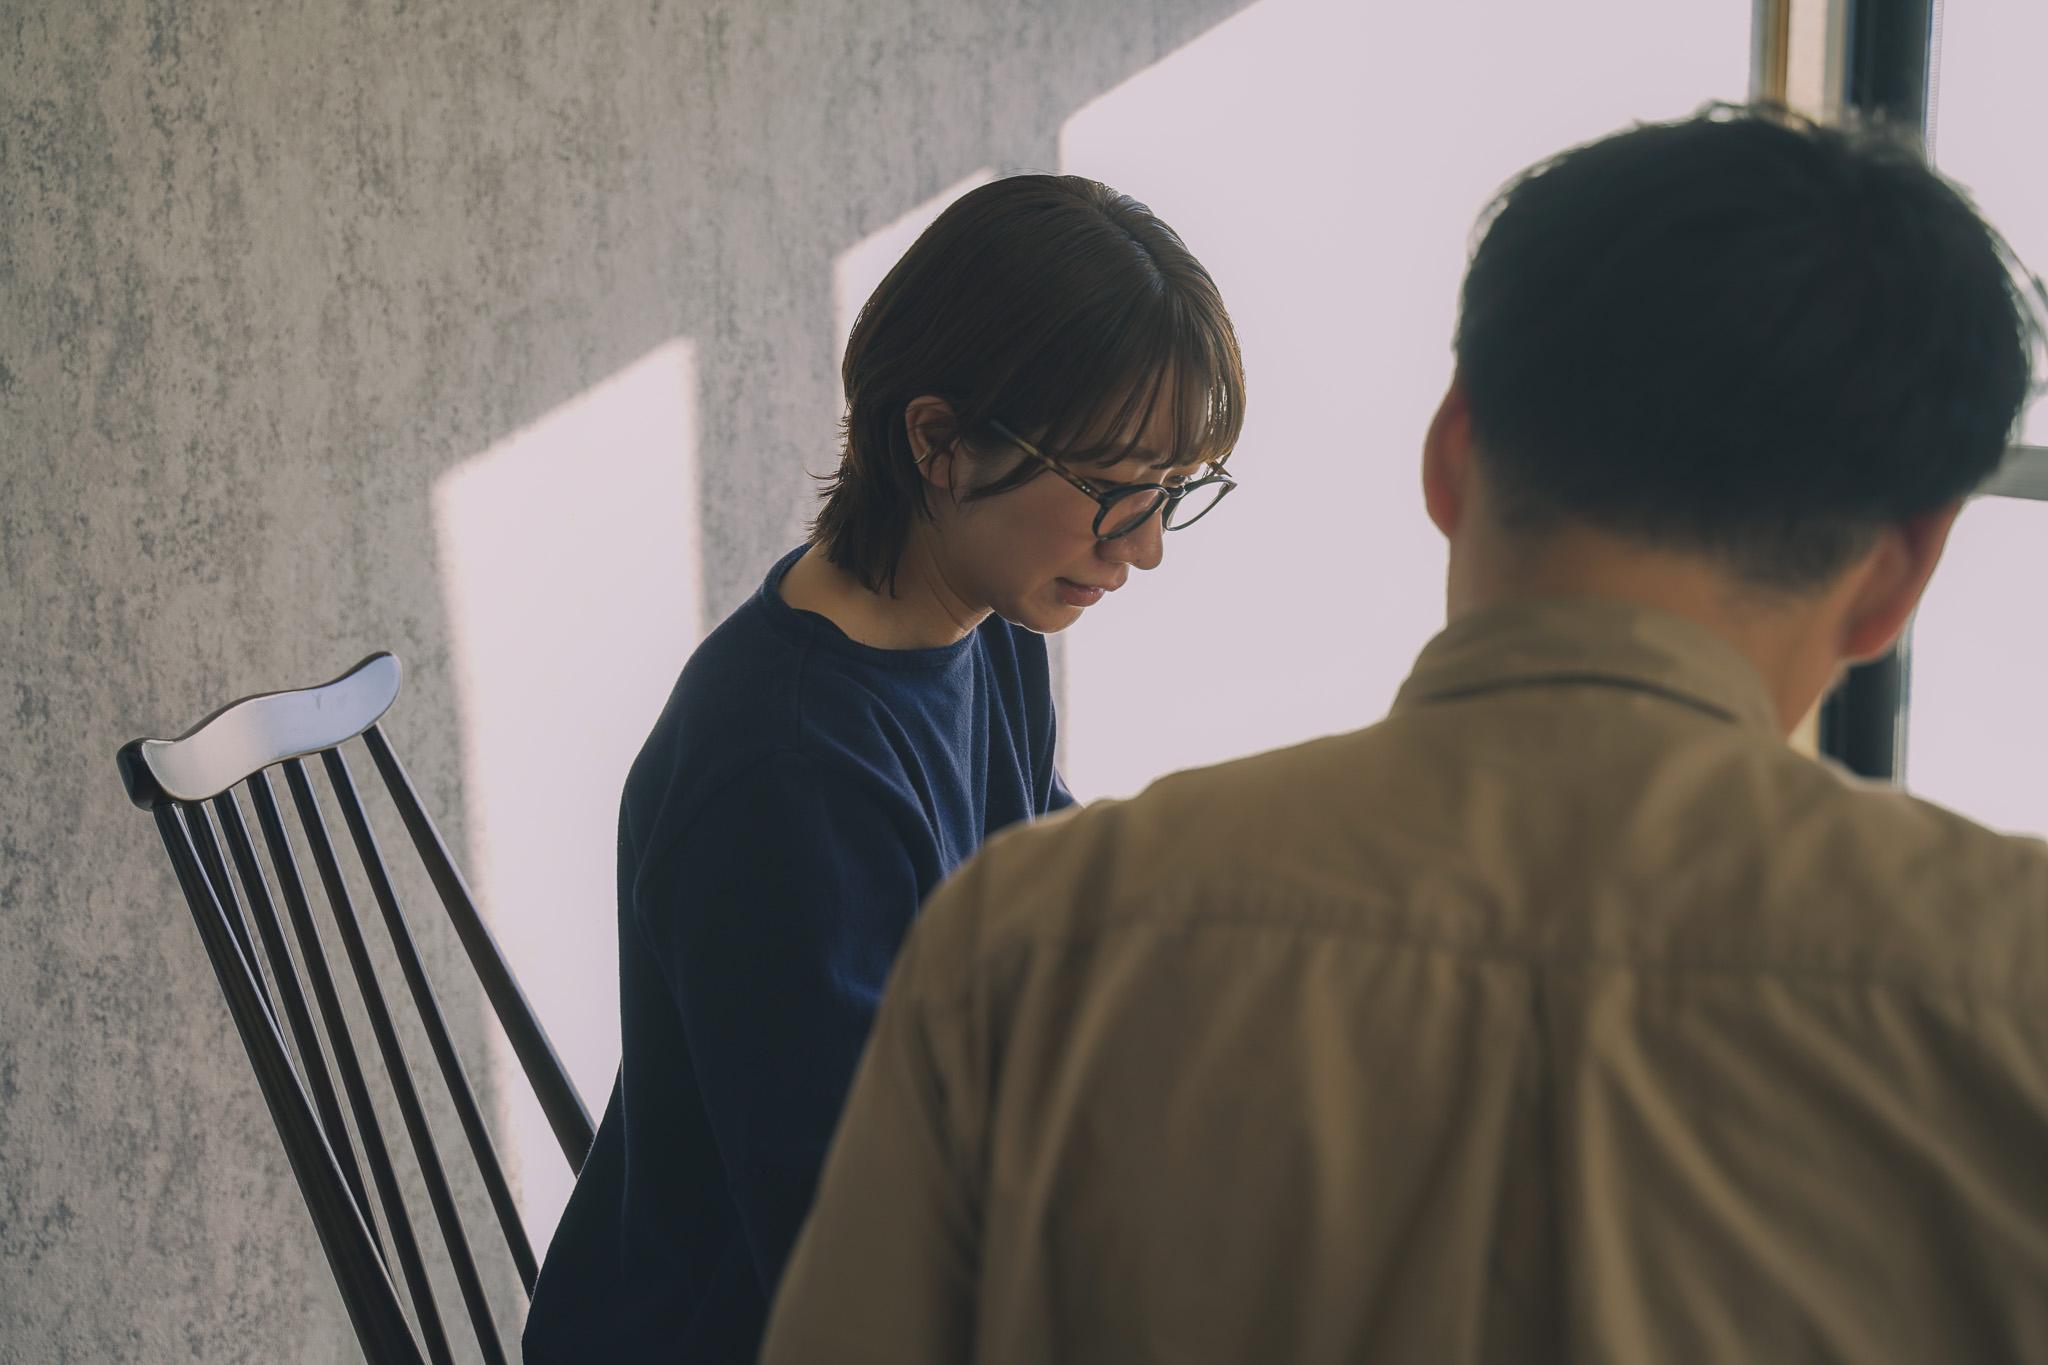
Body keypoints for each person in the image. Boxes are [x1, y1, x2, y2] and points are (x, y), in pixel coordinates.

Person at [762, 106, 2048, 1363]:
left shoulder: (1025, 947)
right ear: (1898, 577)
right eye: (1114, 490)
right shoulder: (2009, 998)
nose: (1140, 548)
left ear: (1448, 453)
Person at [522, 174, 1245, 1362]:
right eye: (1112, 489)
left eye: (1169, 492)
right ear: (940, 444)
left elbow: (1051, 907)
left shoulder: (985, 628)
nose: (1147, 546)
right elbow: (857, 1263)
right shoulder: (788, 772)